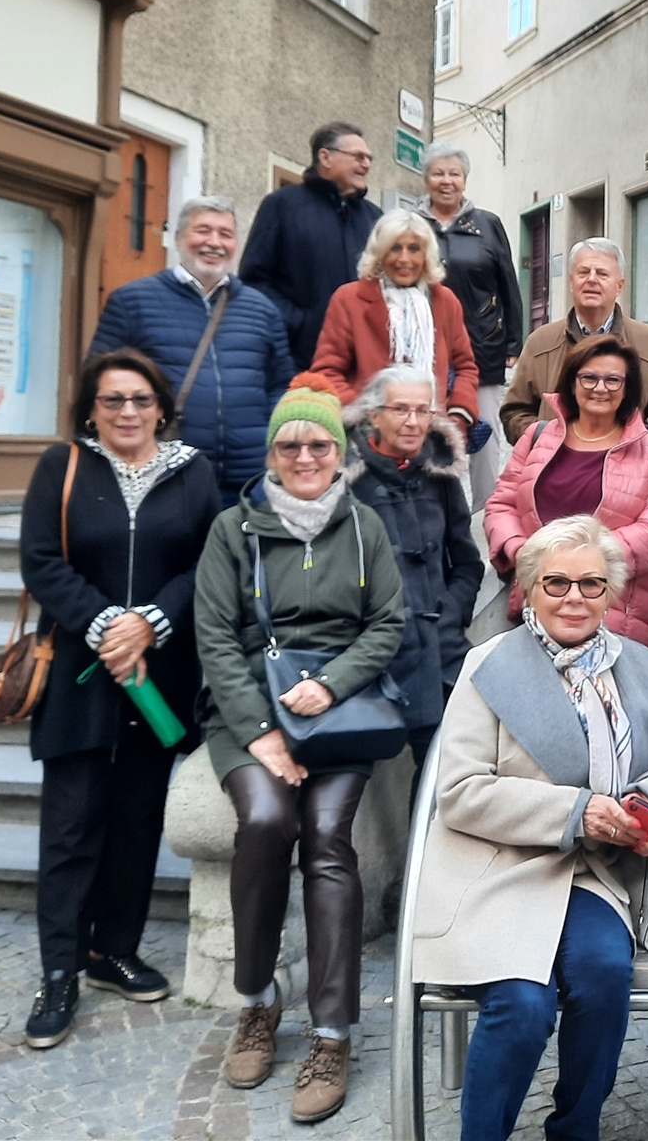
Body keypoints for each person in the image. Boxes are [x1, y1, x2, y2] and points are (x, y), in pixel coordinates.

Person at [412, 516, 648, 1141]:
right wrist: (574, 811)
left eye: (591, 583)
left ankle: (574, 1130)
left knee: (604, 975)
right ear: (528, 588)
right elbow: (459, 792)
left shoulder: (637, 665)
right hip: (497, 868)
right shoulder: (490, 665)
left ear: (613, 592)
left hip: (595, 872)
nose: (574, 598)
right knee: (522, 1006)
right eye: (556, 582)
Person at [193, 374, 407, 1123]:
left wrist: (334, 684)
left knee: (324, 837)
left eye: (319, 442)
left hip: (338, 717)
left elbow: (388, 622)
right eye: (291, 443)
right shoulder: (235, 528)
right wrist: (260, 731)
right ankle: (257, 1000)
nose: (305, 454)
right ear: (272, 452)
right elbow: (215, 637)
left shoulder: (364, 526)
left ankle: (331, 1031)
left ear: (339, 450)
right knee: (262, 821)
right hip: (249, 712)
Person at [18, 349, 222, 1049]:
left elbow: (208, 562)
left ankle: (114, 950)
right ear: (91, 409)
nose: (127, 413)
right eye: (113, 401)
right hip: (81, 667)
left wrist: (153, 622)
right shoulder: (62, 467)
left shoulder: (193, 474)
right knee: (71, 825)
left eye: (140, 400)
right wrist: (108, 623)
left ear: (161, 406)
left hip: (159, 675)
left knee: (137, 817)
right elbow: (41, 559)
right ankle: (60, 970)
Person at [89, 196, 294, 505]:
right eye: (203, 230)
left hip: (248, 482)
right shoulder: (132, 301)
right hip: (167, 476)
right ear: (179, 238)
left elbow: (282, 386)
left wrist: (271, 443)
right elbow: (98, 384)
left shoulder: (262, 309)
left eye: (225, 234)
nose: (214, 242)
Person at [484, 334, 648, 645]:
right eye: (589, 377)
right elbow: (501, 505)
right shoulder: (537, 436)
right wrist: (524, 552)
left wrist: (583, 566)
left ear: (627, 388)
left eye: (613, 380)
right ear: (572, 382)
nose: (600, 388)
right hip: (536, 603)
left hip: (612, 613)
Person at [341, 366, 484, 766]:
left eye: (423, 411)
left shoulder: (440, 475)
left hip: (443, 651)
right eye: (400, 409)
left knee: (443, 779)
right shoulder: (347, 481)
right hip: (377, 659)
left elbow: (468, 564)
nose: (413, 421)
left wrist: (450, 612)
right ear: (373, 416)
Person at [413, 143, 523, 507]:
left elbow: (508, 283)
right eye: (438, 173)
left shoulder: (487, 224)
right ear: (426, 178)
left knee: (485, 435)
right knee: (426, 430)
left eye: (454, 174)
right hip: (423, 349)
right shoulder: (412, 225)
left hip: (482, 346)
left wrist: (512, 341)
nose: (446, 181)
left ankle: (488, 512)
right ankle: (432, 509)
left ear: (464, 179)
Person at [311, 210, 479, 438]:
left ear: (426, 254)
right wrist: (366, 416)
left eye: (414, 248)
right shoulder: (349, 299)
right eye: (394, 248)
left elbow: (466, 367)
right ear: (379, 253)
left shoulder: (445, 301)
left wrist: (456, 418)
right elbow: (327, 371)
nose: (404, 259)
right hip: (368, 435)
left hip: (429, 431)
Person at [241, 122, 384, 368]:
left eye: (369, 158)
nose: (366, 165)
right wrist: (300, 323)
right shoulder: (283, 205)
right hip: (300, 359)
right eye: (358, 157)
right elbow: (255, 280)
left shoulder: (374, 218)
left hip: (362, 361)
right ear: (325, 157)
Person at [500, 238, 648, 442]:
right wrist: (546, 439)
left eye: (602, 274)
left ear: (619, 285)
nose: (592, 280)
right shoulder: (540, 342)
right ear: (571, 281)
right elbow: (514, 412)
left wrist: (626, 445)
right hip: (553, 466)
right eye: (583, 272)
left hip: (623, 465)